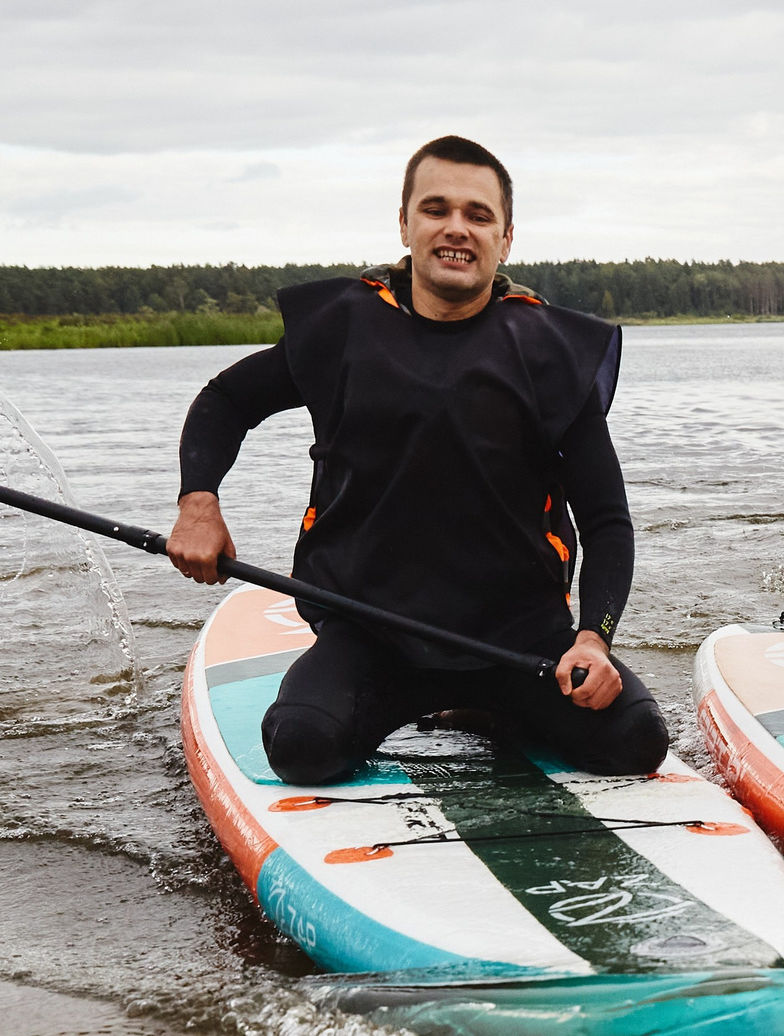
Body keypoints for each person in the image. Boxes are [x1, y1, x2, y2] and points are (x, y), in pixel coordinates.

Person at [165, 134, 668, 784]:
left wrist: (593, 639)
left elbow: (606, 521)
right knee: (301, 747)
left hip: (521, 644)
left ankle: (495, 712)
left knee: (637, 741)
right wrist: (198, 503)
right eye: (436, 209)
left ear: (506, 239)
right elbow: (226, 399)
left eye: (478, 215)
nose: (457, 228)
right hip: (371, 638)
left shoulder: (550, 353)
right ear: (404, 224)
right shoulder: (344, 329)